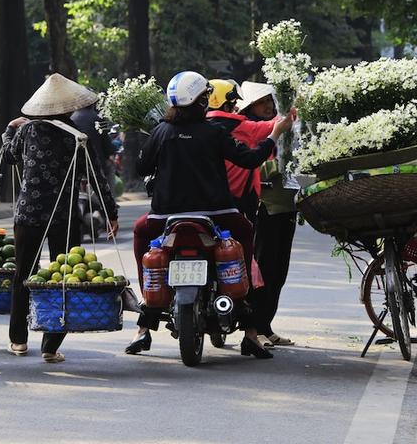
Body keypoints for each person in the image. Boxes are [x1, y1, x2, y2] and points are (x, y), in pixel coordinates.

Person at [126, 71, 295, 360]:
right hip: (217, 214)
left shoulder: (161, 132)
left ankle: (147, 303)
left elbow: (141, 168)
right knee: (245, 239)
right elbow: (251, 159)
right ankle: (251, 330)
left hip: (165, 216)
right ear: (202, 100)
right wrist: (274, 136)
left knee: (141, 232)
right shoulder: (215, 132)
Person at [3, 73, 119, 362]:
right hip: (63, 216)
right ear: (70, 108)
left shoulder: (27, 132)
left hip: (28, 213)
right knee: (64, 278)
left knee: (23, 275)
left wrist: (9, 130)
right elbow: (97, 178)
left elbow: (8, 156)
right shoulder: (77, 137)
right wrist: (110, 212)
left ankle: (18, 340)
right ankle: (51, 346)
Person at [238, 81, 299, 348]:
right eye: (262, 102)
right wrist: (274, 166)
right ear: (250, 106)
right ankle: (254, 327)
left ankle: (266, 325)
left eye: (270, 102)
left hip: (286, 206)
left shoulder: (283, 129)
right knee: (261, 271)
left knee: (279, 272)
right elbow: (244, 166)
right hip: (263, 208)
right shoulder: (246, 131)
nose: (268, 106)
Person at [205, 79, 278, 223]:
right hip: (234, 199)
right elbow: (251, 159)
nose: (236, 107)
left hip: (202, 198)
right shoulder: (242, 126)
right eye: (233, 104)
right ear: (226, 106)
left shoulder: (193, 127)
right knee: (245, 237)